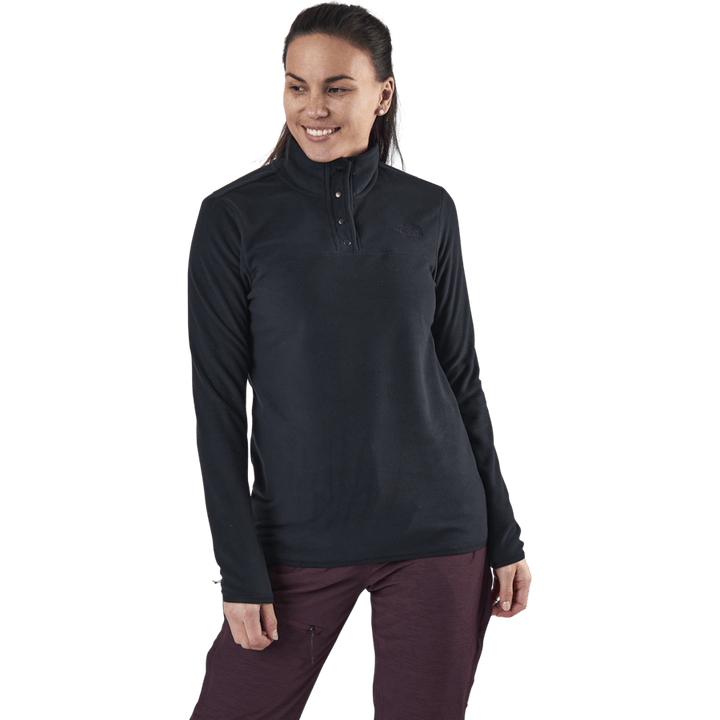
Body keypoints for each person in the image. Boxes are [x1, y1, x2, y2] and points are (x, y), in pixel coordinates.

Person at [185, 2, 532, 718]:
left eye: (337, 87)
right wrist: (239, 571)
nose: (312, 108)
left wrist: (505, 533)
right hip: (296, 539)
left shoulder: (429, 211)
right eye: (296, 86)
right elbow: (217, 404)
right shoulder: (232, 218)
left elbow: (461, 378)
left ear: (383, 94)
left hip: (439, 531)